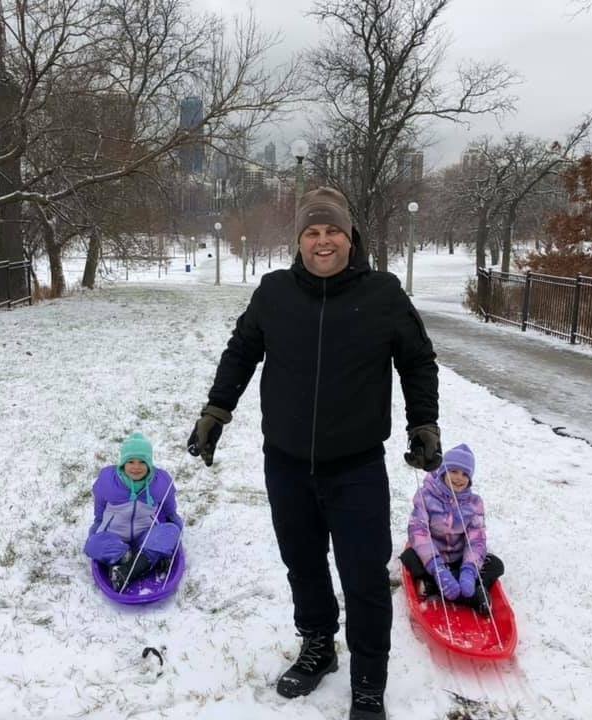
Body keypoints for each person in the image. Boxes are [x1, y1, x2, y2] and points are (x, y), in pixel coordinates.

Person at [187, 187, 441, 720]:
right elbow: (240, 353)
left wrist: (424, 423)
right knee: (302, 564)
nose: (323, 241)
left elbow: (418, 362)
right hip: (286, 463)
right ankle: (319, 647)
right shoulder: (274, 293)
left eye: (333, 232)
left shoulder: (383, 294)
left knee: (365, 576)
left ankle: (369, 680)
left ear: (351, 238)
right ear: (299, 240)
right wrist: (216, 412)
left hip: (356, 466)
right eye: (312, 232)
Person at [400, 443, 504, 615]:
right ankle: (456, 590)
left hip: (459, 560)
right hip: (432, 560)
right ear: (443, 471)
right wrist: (438, 568)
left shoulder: (474, 503)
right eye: (454, 471)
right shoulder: (426, 496)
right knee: (409, 556)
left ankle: (451, 587)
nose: (459, 478)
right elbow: (418, 532)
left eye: (465, 474)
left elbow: (476, 539)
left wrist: (469, 570)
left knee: (496, 565)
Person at [84, 432, 182, 591]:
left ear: (149, 464)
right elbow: (100, 508)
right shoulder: (108, 481)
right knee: (93, 545)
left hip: (146, 533)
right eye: (130, 461)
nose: (136, 467)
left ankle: (126, 570)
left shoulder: (160, 482)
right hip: (115, 535)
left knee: (171, 531)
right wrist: (97, 529)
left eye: (142, 462)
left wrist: (175, 525)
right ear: (123, 463)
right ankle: (139, 559)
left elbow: (169, 509)